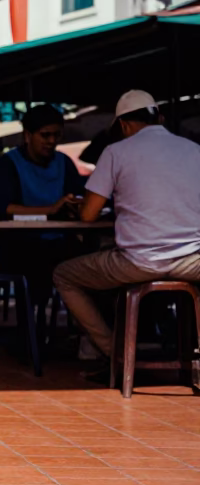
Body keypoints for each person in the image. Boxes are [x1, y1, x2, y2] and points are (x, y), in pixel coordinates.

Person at [54, 89, 200, 364]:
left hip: (138, 262)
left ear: (122, 125)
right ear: (159, 116)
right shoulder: (194, 150)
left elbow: (88, 215)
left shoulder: (115, 152)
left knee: (64, 275)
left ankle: (113, 352)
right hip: (192, 260)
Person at [0, 103, 85, 300]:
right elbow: (0, 208)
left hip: (59, 244)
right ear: (28, 136)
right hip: (20, 246)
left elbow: (79, 196)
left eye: (56, 136)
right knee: (36, 266)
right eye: (45, 135)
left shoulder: (64, 163)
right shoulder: (9, 163)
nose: (51, 141)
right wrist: (51, 209)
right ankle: (33, 327)